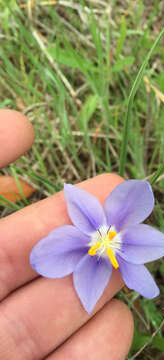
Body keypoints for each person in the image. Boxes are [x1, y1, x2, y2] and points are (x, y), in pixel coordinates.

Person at [0, 109, 134, 359]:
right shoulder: (86, 222)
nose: (105, 244)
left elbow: (138, 197)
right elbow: (42, 260)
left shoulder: (120, 245)